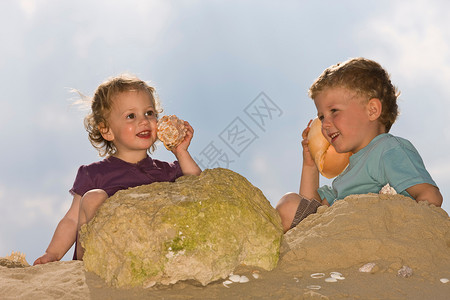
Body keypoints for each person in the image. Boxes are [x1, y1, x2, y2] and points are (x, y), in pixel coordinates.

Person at [34, 74, 201, 264]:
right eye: (131, 116)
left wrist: (181, 152)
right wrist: (52, 254)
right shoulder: (93, 174)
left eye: (149, 113)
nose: (144, 121)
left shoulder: (166, 172)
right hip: (97, 257)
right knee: (93, 197)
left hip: (142, 254)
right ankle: (93, 261)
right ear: (107, 130)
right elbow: (72, 220)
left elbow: (198, 187)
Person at [276, 57, 443, 232]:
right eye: (322, 116)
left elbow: (430, 196)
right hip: (337, 235)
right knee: (291, 205)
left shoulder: (387, 149)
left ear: (372, 110)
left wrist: (410, 235)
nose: (325, 124)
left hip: (376, 237)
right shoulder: (346, 176)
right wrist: (310, 164)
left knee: (289, 204)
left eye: (334, 111)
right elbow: (309, 214)